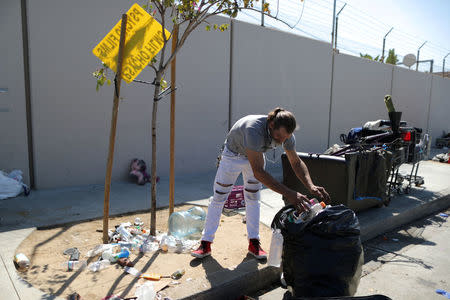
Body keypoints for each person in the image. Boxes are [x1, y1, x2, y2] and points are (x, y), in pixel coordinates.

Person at [191, 107, 330, 259]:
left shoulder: (286, 134)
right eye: (278, 136)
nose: (281, 141)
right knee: (219, 197)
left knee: (253, 198)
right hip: (233, 156)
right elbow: (258, 172)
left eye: (285, 138)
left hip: (256, 155)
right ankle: (205, 243)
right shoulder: (254, 129)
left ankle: (254, 242)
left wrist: (311, 185)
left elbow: (295, 162)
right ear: (271, 124)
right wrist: (290, 194)